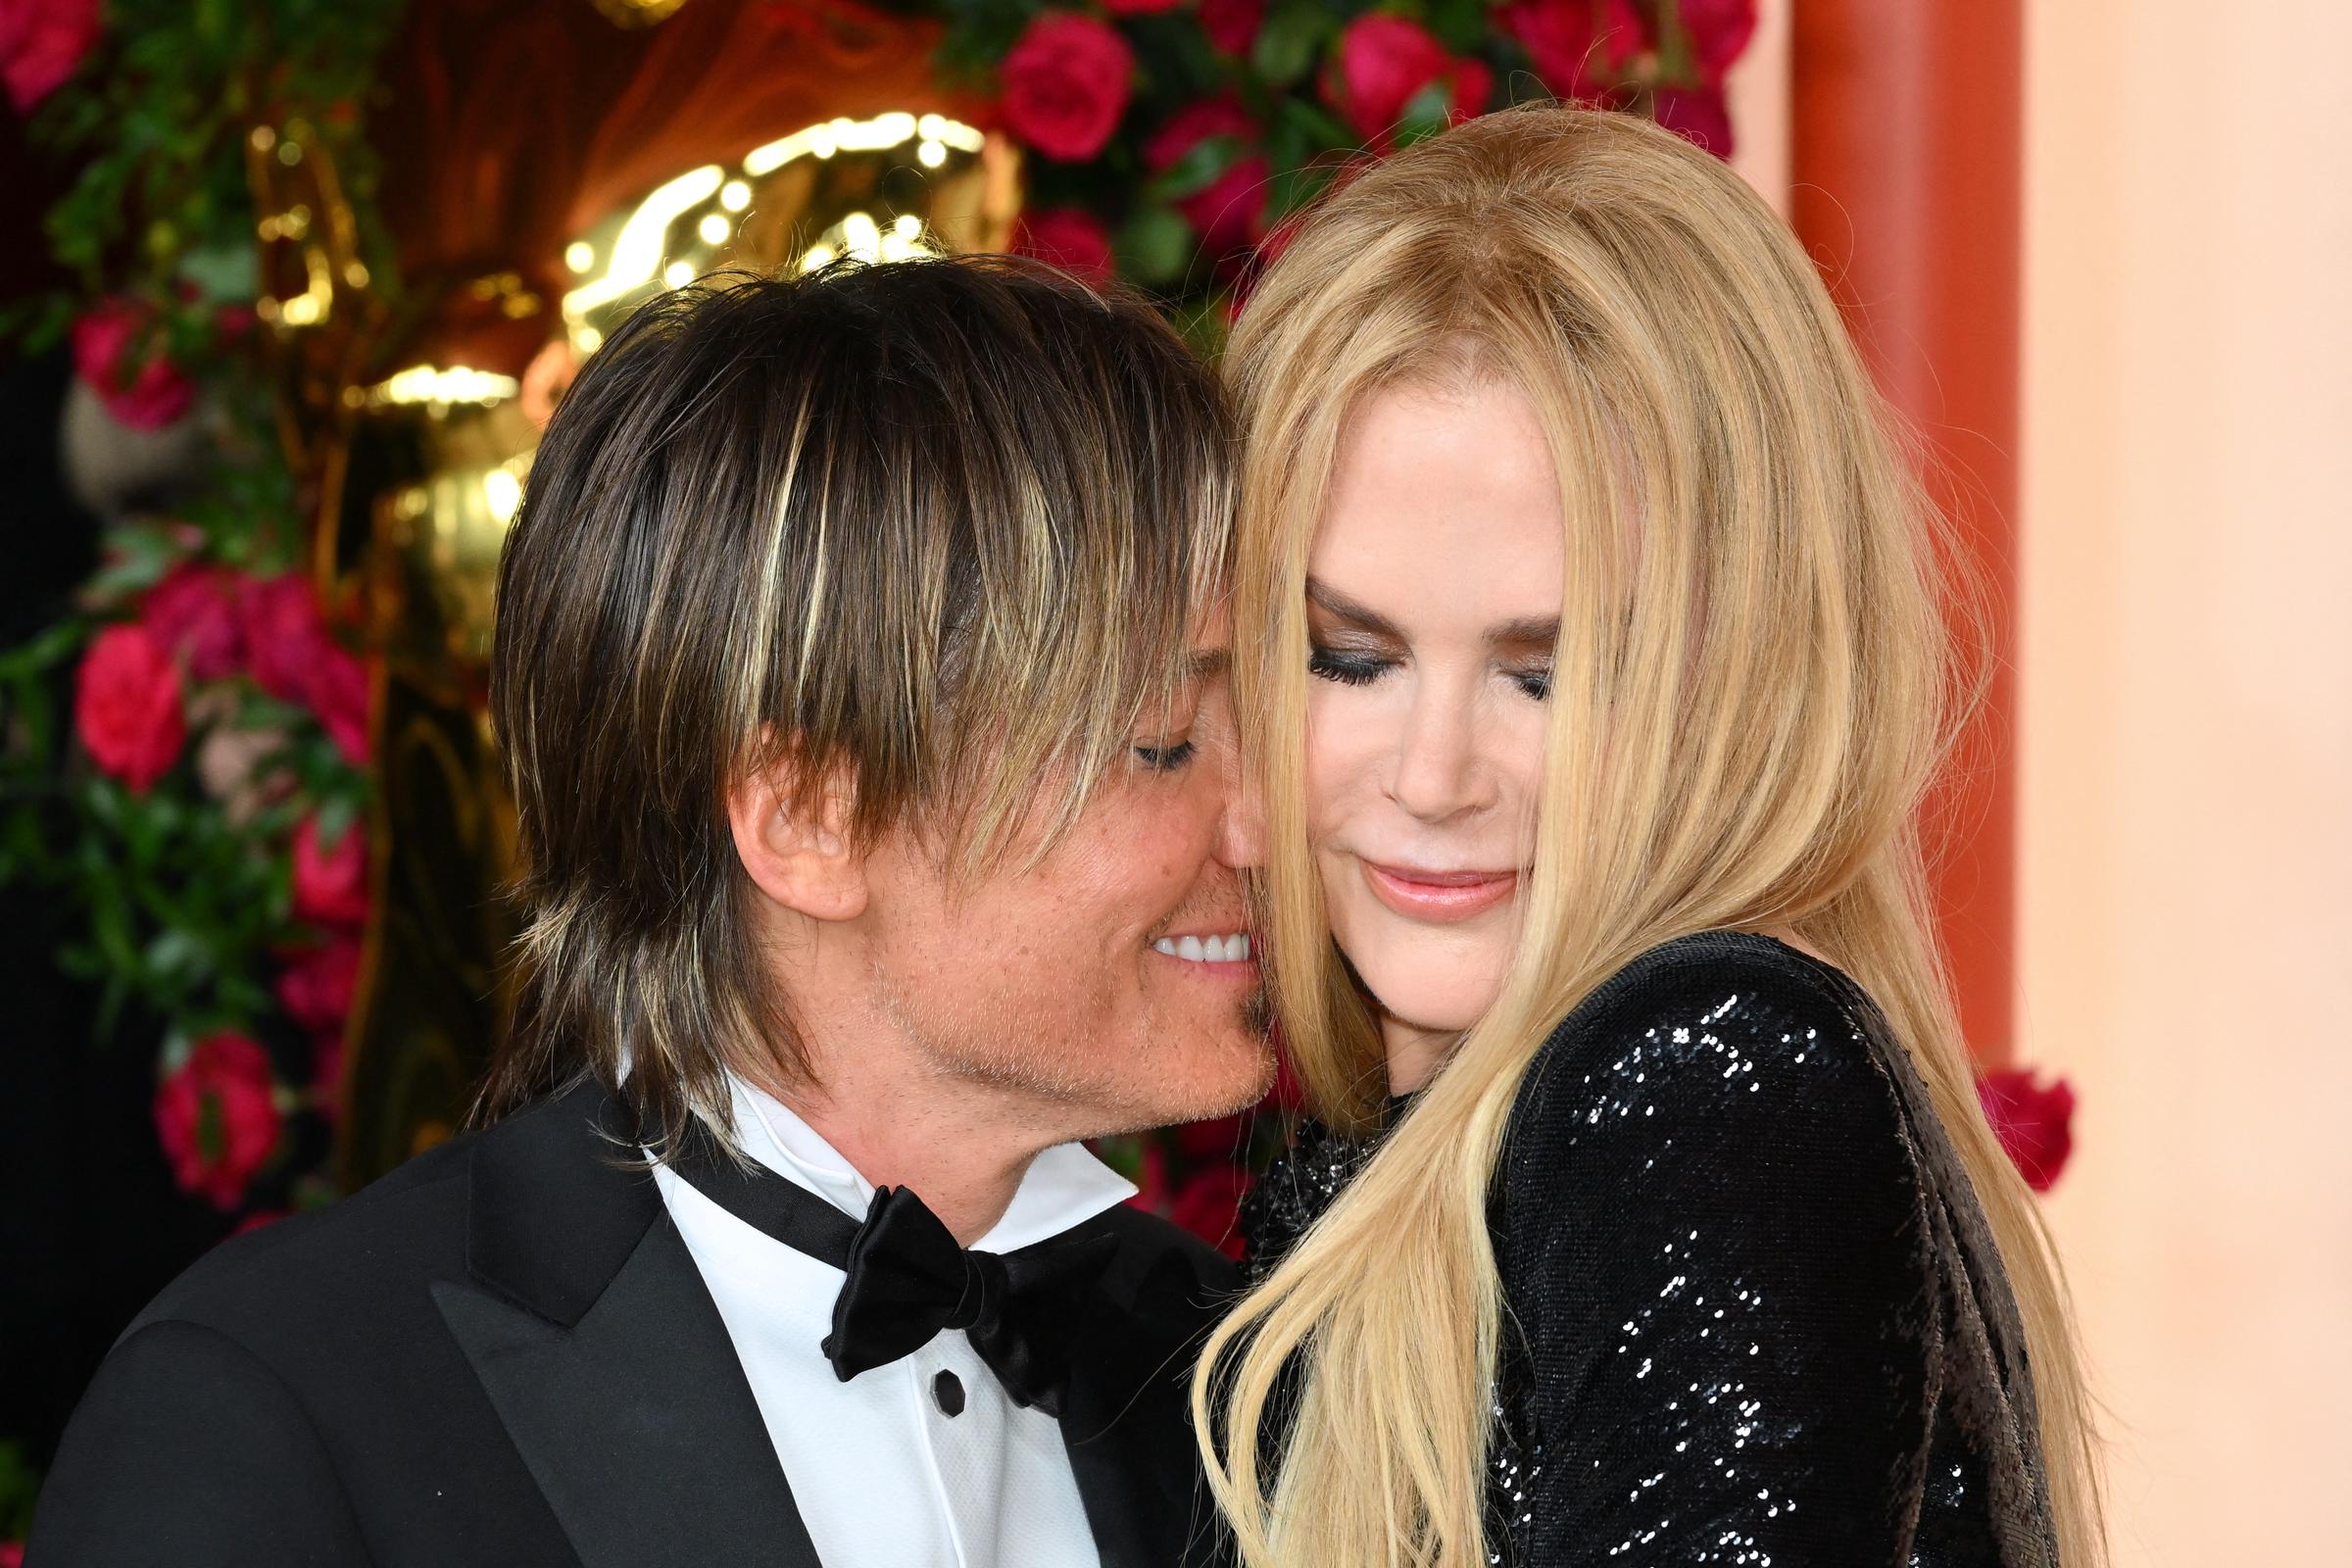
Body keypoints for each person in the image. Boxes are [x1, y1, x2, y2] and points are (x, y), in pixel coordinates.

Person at [29, 258, 1269, 1568]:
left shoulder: (1226, 1369)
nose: (1266, 822)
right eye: (1163, 741)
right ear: (805, 817)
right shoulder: (277, 1419)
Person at [1194, 106, 2101, 1568]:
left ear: (1741, 677)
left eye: (1551, 675)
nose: (1433, 776)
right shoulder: (1485, 1144)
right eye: (1346, 656)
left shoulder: (1695, 1079)